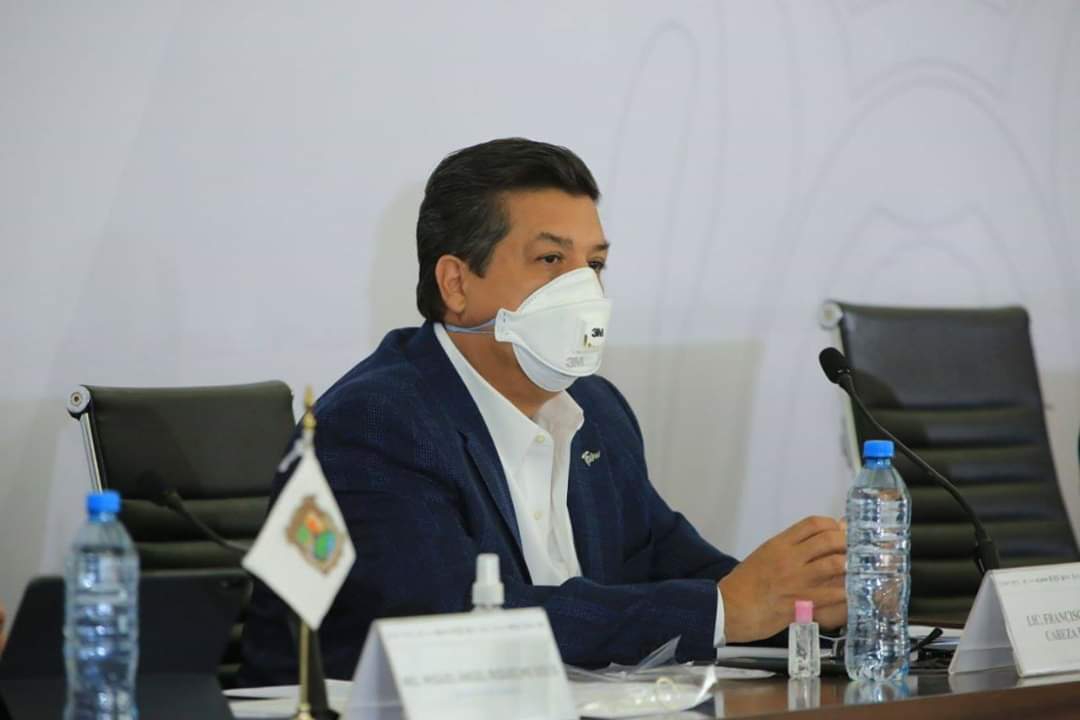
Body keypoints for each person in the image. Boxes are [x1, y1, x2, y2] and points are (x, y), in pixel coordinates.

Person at [239, 138, 846, 685]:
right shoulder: (376, 423)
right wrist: (722, 610)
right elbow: (455, 628)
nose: (585, 292)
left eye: (595, 264)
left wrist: (809, 602)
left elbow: (679, 566)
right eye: (552, 261)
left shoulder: (596, 412)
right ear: (456, 284)